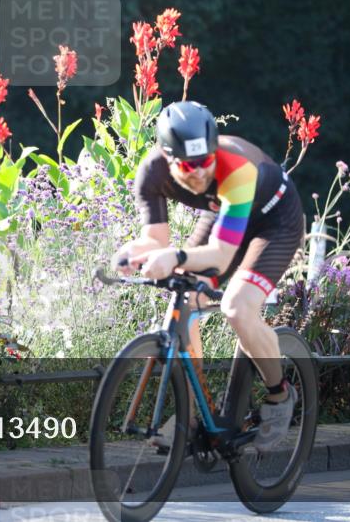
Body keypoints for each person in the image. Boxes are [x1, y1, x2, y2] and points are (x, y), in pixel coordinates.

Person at [114, 100, 305, 452]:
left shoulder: (236, 169)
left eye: (206, 161)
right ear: (167, 158)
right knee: (184, 301)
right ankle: (193, 415)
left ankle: (280, 394)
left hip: (274, 222)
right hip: (226, 215)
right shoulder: (151, 172)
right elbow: (155, 240)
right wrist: (131, 252)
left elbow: (220, 255)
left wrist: (175, 256)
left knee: (237, 307)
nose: (200, 172)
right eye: (189, 165)